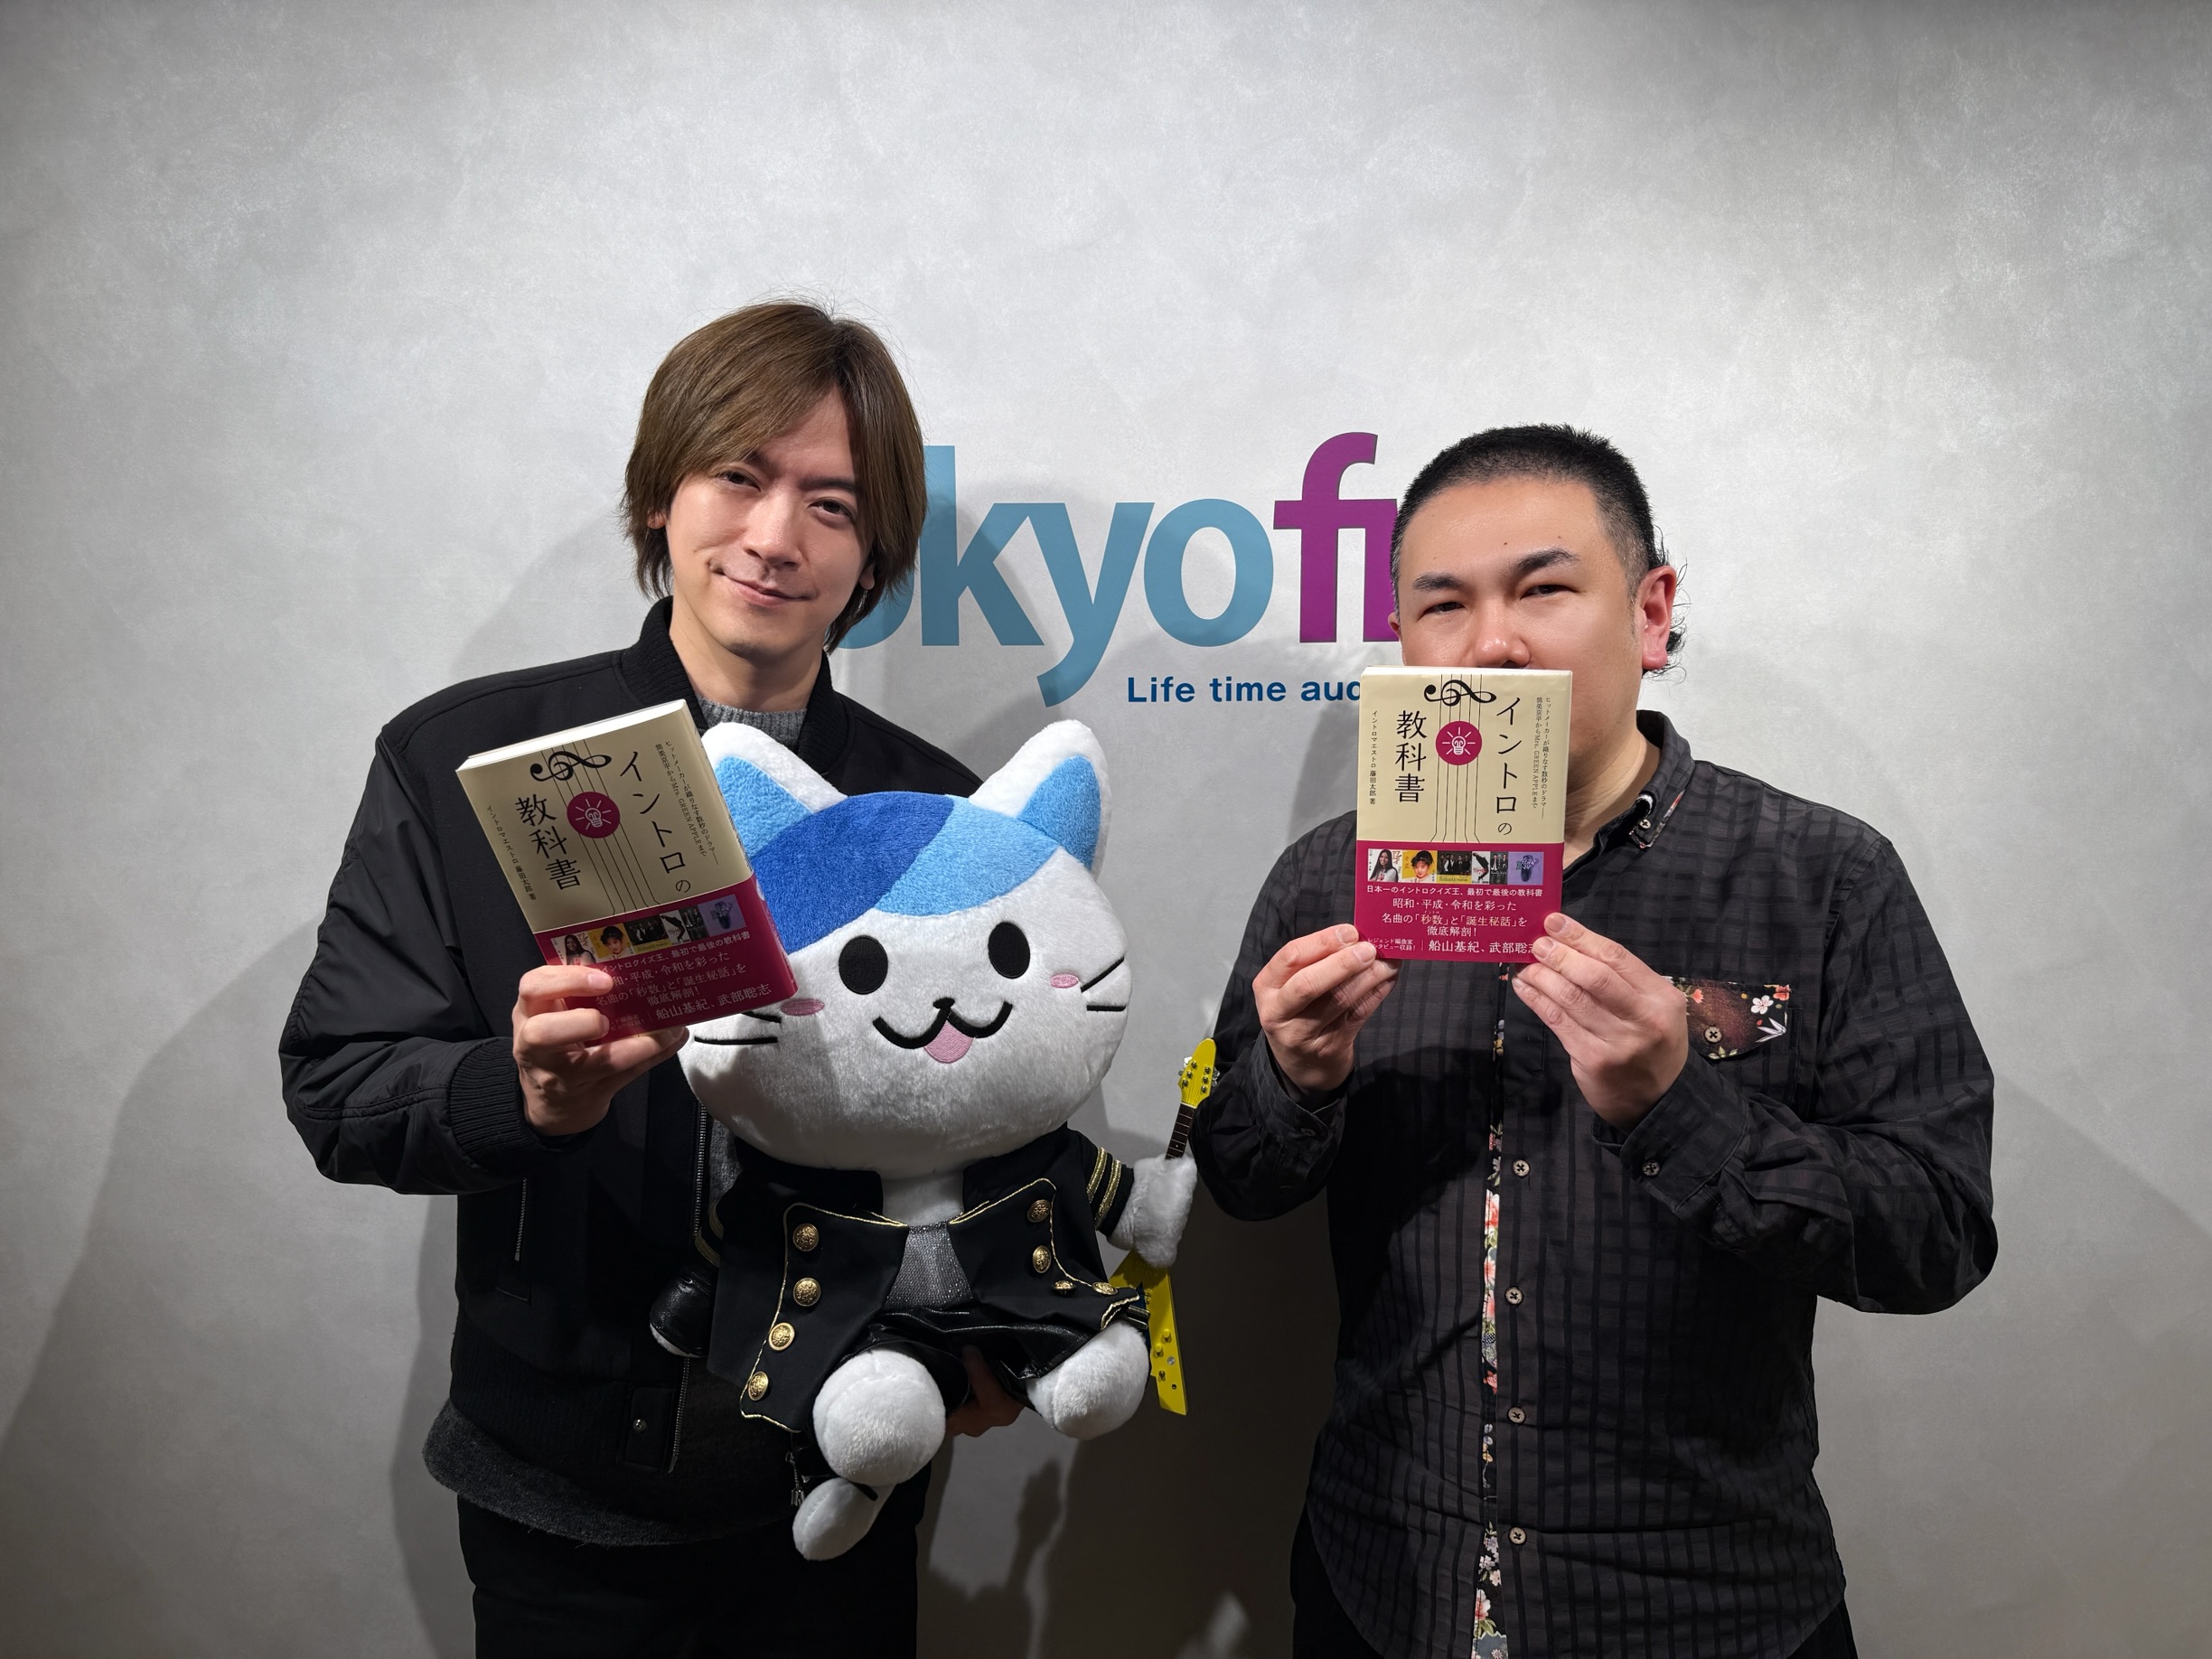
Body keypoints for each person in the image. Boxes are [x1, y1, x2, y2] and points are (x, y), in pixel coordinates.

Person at [281, 301, 1022, 1658]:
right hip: (561, 1504)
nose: (775, 537)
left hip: (836, 1496)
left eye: (833, 505)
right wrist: (523, 1096)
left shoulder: (937, 816)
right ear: (660, 495)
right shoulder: (470, 763)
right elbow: (339, 1085)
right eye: (738, 475)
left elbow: (991, 1128)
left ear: (872, 556)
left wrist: (993, 1335)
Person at [1193, 426, 1995, 1659]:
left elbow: (1937, 1232)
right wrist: (1293, 1081)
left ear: (1651, 612)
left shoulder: (1822, 877)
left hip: (1706, 1607)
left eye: (1544, 590)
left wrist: (1683, 1108)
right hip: (1387, 1584)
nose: (1493, 645)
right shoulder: (1330, 880)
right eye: (1443, 606)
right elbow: (1235, 1176)